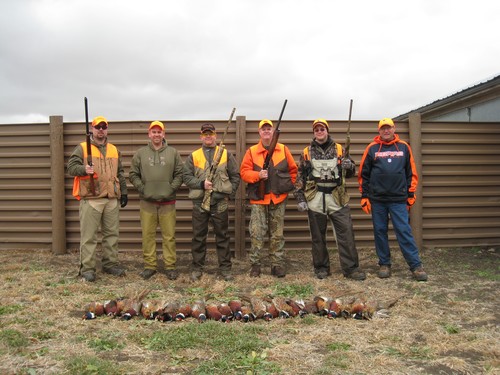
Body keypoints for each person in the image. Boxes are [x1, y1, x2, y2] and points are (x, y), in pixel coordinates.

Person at [295, 119, 366, 280]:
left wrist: (349, 166)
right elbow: (300, 177)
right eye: (316, 129)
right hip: (315, 199)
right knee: (317, 237)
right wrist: (300, 198)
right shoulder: (307, 152)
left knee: (346, 234)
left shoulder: (340, 149)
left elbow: (349, 173)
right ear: (314, 133)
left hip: (337, 198)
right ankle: (321, 268)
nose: (319, 131)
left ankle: (351, 269)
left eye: (322, 129)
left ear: (327, 130)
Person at [358, 118, 428, 281]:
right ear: (379, 131)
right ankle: (384, 264)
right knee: (380, 231)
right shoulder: (371, 148)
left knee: (404, 231)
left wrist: (410, 194)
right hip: (378, 200)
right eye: (383, 128)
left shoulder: (404, 147)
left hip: (398, 200)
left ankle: (416, 265)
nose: (386, 131)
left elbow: (411, 173)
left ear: (394, 129)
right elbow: (363, 175)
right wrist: (364, 196)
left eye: (388, 128)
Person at [67, 116, 128, 282]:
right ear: (92, 129)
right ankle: (87, 268)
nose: (101, 130)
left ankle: (110, 264)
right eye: (97, 127)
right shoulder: (82, 148)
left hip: (111, 198)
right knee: (89, 236)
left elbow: (120, 172)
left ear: (107, 129)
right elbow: (71, 168)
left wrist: (124, 191)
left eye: (104, 127)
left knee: (111, 234)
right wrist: (83, 169)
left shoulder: (114, 150)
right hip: (91, 198)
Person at [240, 119, 298, 278]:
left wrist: (287, 186)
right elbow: (244, 172)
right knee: (256, 233)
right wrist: (257, 175)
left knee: (277, 234)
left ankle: (276, 265)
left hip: (278, 199)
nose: (266, 131)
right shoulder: (252, 151)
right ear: (259, 132)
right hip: (259, 199)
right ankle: (255, 265)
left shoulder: (283, 149)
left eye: (269, 129)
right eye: (263, 129)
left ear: (273, 132)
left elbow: (293, 171)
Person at [183, 123, 240, 281]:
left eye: (211, 133)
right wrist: (201, 184)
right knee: (198, 236)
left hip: (219, 202)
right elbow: (186, 177)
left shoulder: (225, 154)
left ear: (215, 135)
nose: (208, 136)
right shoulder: (193, 156)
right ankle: (197, 267)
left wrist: (230, 194)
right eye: (205, 134)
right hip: (199, 203)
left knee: (222, 236)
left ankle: (225, 269)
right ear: (201, 136)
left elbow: (236, 176)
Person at [129, 121, 184, 280]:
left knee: (169, 236)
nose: (156, 135)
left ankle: (170, 266)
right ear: (149, 134)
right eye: (154, 132)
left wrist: (171, 188)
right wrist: (143, 188)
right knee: (148, 235)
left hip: (168, 203)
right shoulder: (140, 153)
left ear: (163, 134)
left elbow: (180, 174)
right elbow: (133, 174)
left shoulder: (173, 153)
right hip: (147, 202)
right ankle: (150, 266)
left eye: (159, 132)